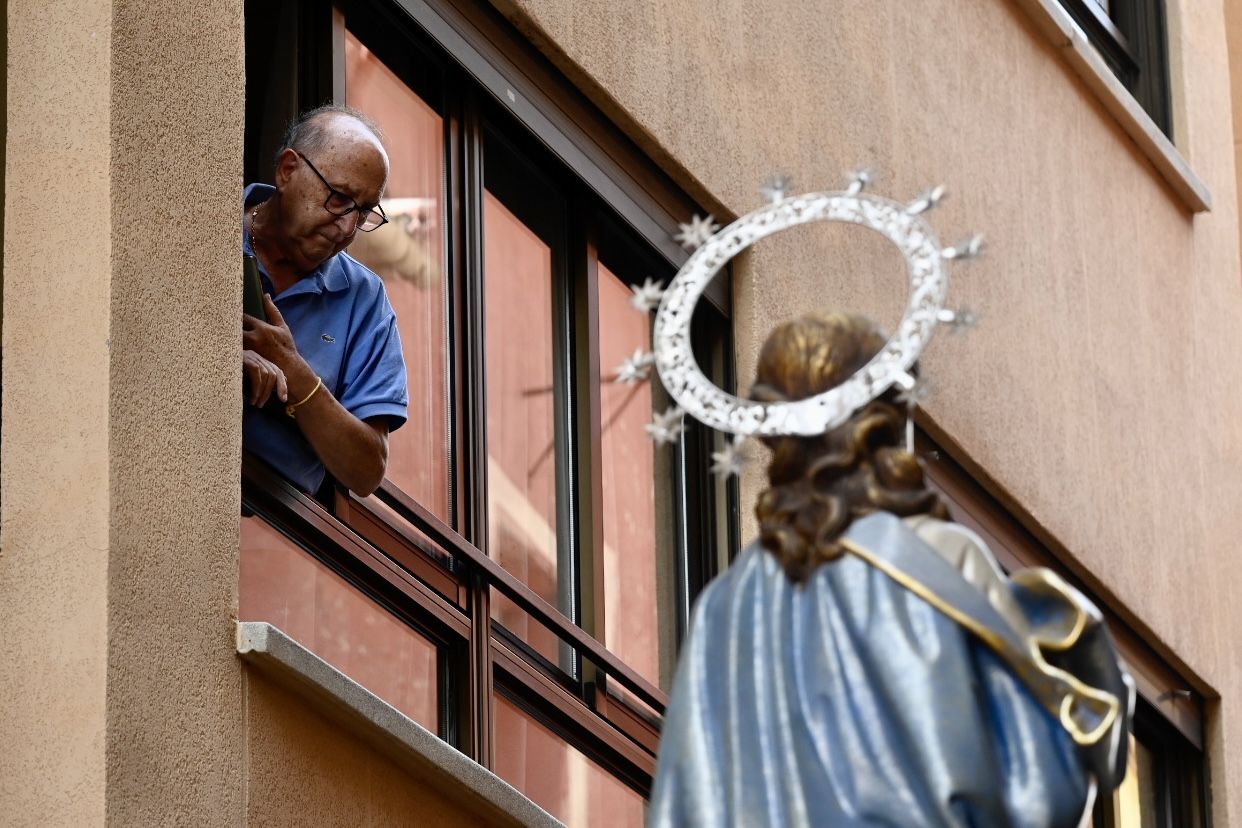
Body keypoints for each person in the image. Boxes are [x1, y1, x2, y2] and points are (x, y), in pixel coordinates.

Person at [648, 312, 1133, 828]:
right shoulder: (935, 561)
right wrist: (1080, 654)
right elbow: (1034, 784)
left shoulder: (722, 607)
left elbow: (683, 800)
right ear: (874, 425)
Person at [241, 105, 408, 497]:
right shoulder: (203, 222)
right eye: (339, 198)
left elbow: (367, 471)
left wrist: (291, 367)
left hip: (278, 533)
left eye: (364, 211)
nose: (349, 226)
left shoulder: (366, 300)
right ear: (287, 171)